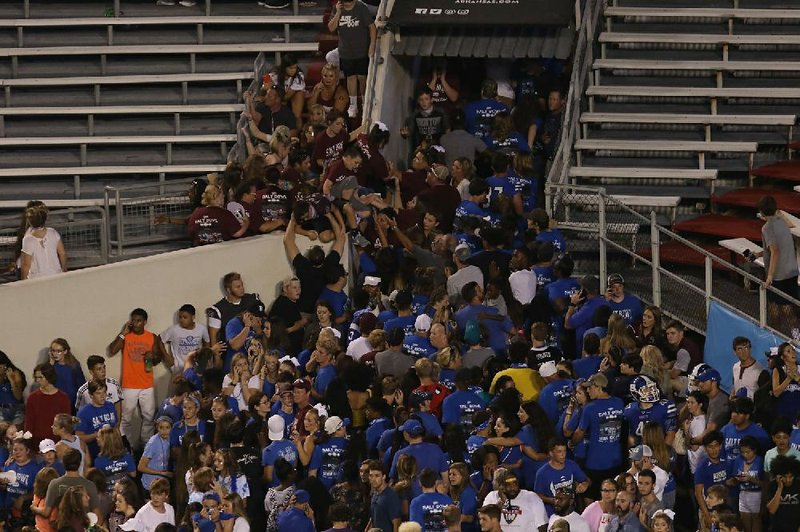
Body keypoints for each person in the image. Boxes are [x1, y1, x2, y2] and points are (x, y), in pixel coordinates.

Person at [107, 308, 172, 450]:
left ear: (145, 322)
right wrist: (122, 333)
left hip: (147, 385)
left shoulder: (151, 337)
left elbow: (157, 359)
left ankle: (146, 446)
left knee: (149, 417)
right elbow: (112, 350)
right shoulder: (126, 336)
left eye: (139, 321)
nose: (135, 324)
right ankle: (127, 447)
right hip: (129, 384)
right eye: (133, 320)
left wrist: (152, 357)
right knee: (125, 419)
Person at [572, 373, 625, 500]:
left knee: (591, 496)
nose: (588, 390)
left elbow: (579, 433)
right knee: (612, 495)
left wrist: (572, 442)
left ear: (599, 387)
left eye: (590, 387)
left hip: (595, 462)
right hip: (616, 459)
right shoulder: (619, 402)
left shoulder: (590, 408)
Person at [327, 0, 376, 118]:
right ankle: (353, 105)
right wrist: (338, 13)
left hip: (361, 51)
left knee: (362, 78)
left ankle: (365, 103)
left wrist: (372, 44)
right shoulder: (336, 8)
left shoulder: (361, 7)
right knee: (351, 78)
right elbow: (331, 28)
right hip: (346, 52)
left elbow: (372, 27)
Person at [42, 448, 102, 523]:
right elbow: (98, 518)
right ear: (79, 463)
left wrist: (33, 507)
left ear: (63, 463)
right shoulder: (90, 485)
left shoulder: (54, 484)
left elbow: (46, 512)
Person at [482, 469, 548, 532]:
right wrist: (497, 508)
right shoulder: (491, 497)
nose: (513, 487)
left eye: (515, 483)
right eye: (508, 485)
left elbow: (542, 526)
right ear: (501, 487)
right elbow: (484, 523)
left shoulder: (532, 497)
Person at [25, 362, 71, 443]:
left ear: (49, 377)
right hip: (38, 442)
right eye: (36, 378)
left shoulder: (63, 397)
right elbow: (29, 423)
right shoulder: (33, 398)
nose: (37, 380)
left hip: (58, 442)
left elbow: (66, 423)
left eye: (40, 377)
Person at [19, 202, 67, 279]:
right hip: (56, 274)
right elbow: (62, 253)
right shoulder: (53, 233)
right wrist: (64, 269)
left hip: (37, 278)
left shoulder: (28, 240)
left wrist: (23, 281)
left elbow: (26, 265)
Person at [160, 304, 211, 376]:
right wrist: (166, 356)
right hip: (179, 368)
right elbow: (159, 339)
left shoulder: (202, 329)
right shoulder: (174, 330)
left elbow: (207, 345)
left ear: (193, 317)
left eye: (185, 317)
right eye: (180, 317)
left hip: (196, 368)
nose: (181, 320)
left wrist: (204, 361)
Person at [75, 355, 123, 423]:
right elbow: (79, 413)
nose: (103, 371)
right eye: (99, 369)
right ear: (91, 372)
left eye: (104, 367)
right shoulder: (83, 391)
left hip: (112, 427)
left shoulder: (114, 384)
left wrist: (117, 426)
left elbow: (118, 408)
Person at [47, 338, 86, 412]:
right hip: (56, 402)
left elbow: (81, 385)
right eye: (53, 350)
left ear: (65, 351)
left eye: (58, 351)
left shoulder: (74, 365)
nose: (55, 354)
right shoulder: (51, 367)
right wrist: (50, 365)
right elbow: (46, 383)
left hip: (73, 402)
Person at [765, 454, 800, 530]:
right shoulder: (772, 485)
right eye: (785, 476)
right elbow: (772, 510)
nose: (788, 480)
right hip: (777, 527)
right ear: (778, 475)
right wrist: (780, 488)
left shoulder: (798, 485)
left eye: (790, 476)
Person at [366, 460, 402, 532]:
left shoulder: (391, 496)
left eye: (377, 476)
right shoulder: (374, 494)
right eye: (371, 476)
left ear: (384, 476)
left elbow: (397, 522)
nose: (373, 479)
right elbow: (373, 518)